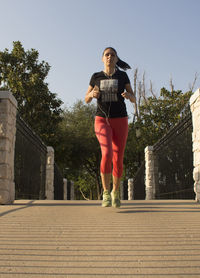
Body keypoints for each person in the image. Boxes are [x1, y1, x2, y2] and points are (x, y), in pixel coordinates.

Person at [85, 47, 136, 208]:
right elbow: (85, 99)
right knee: (106, 153)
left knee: (118, 159)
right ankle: (106, 193)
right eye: (107, 55)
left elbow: (134, 98)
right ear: (102, 58)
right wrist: (92, 95)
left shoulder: (122, 75)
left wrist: (128, 96)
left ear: (116, 59)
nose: (110, 57)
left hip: (120, 119)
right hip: (102, 120)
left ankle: (115, 192)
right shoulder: (96, 76)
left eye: (112, 55)